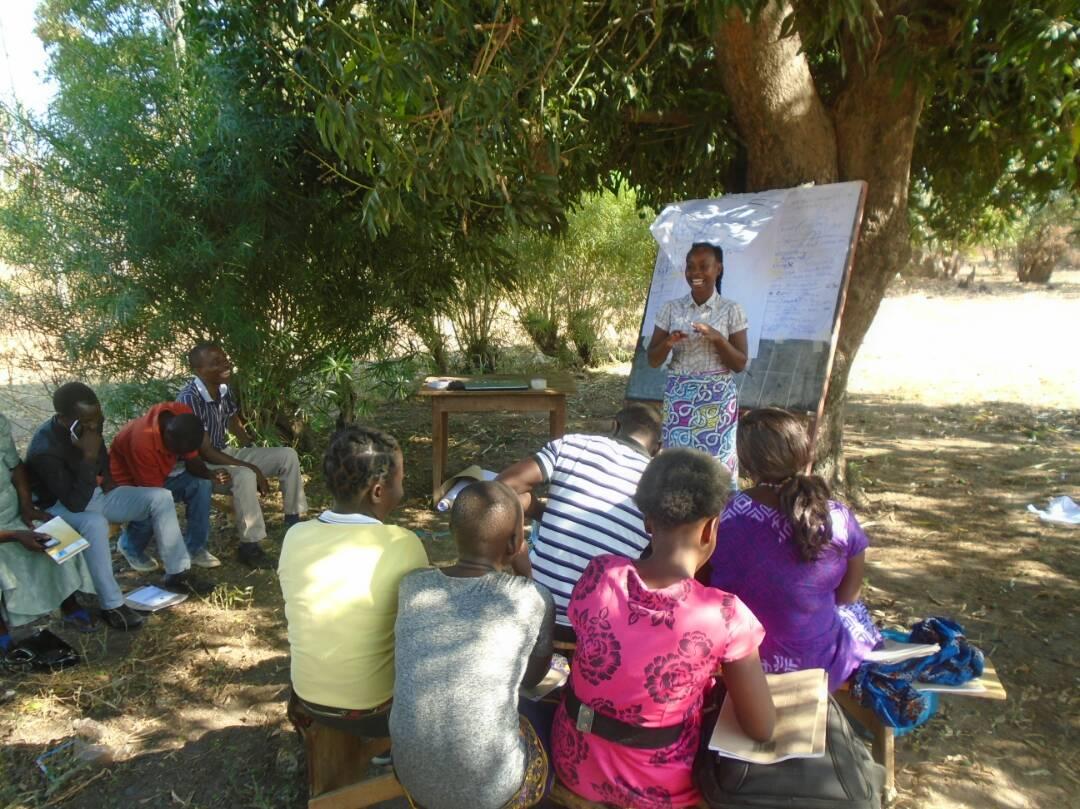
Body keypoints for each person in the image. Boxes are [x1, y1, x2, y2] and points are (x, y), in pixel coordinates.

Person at [552, 448, 774, 809]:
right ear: (711, 528)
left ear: (647, 522)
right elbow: (762, 728)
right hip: (659, 789)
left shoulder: (600, 575)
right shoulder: (726, 615)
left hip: (576, 764)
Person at [391, 481, 554, 809]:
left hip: (410, 774)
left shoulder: (412, 588)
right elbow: (532, 679)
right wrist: (527, 575)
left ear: (451, 530)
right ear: (515, 543)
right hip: (493, 792)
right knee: (546, 721)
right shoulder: (531, 598)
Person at [708, 408, 879, 692]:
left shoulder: (721, 517)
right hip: (818, 665)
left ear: (746, 465)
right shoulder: (838, 519)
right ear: (802, 453)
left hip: (737, 664)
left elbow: (705, 586)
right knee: (856, 615)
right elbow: (848, 596)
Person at [278, 425, 427, 738]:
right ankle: (399, 752)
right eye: (400, 477)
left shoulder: (295, 537)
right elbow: (421, 632)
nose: (404, 484)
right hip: (376, 712)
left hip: (309, 700)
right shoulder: (403, 543)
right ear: (377, 491)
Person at [496, 403, 661, 639]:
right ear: (658, 449)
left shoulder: (572, 444)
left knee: (515, 501)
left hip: (537, 609)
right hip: (599, 628)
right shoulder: (659, 483)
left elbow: (503, 487)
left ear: (614, 426)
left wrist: (537, 510)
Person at [27, 382, 169, 629]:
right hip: (54, 510)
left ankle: (177, 573)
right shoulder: (44, 450)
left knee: (160, 497)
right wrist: (88, 457)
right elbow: (75, 504)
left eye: (97, 419)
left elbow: (103, 463)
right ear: (63, 418)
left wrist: (109, 482)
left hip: (92, 495)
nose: (94, 426)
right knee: (94, 522)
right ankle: (112, 605)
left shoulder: (88, 427)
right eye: (86, 421)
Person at [178, 342, 308, 570]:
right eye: (215, 363)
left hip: (226, 452)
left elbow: (231, 420)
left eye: (225, 358)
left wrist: (251, 446)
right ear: (198, 370)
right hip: (204, 464)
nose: (225, 364)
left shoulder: (222, 388)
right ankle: (250, 546)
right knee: (246, 476)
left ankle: (294, 521)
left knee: (287, 455)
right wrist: (254, 468)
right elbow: (206, 450)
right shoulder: (190, 399)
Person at [646, 243, 748, 484]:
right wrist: (669, 342)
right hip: (680, 395)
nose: (696, 273)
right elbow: (652, 359)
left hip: (717, 398)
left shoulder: (732, 310)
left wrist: (718, 338)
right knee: (678, 465)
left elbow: (740, 363)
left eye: (704, 266)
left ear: (718, 269)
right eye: (691, 267)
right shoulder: (671, 308)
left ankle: (719, 520)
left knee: (717, 469)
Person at [1, 411, 100, 648]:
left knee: (56, 535)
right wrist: (15, 535)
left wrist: (26, 506)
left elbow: (15, 468)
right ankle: (3, 634)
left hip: (14, 513)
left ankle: (69, 603)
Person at [108, 402, 221, 595]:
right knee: (158, 503)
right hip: (128, 485)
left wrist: (210, 475)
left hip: (165, 475)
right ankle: (130, 545)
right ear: (168, 437)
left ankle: (194, 548)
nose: (178, 455)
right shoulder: (142, 443)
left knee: (202, 484)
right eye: (176, 452)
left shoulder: (182, 418)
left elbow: (192, 460)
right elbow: (153, 494)